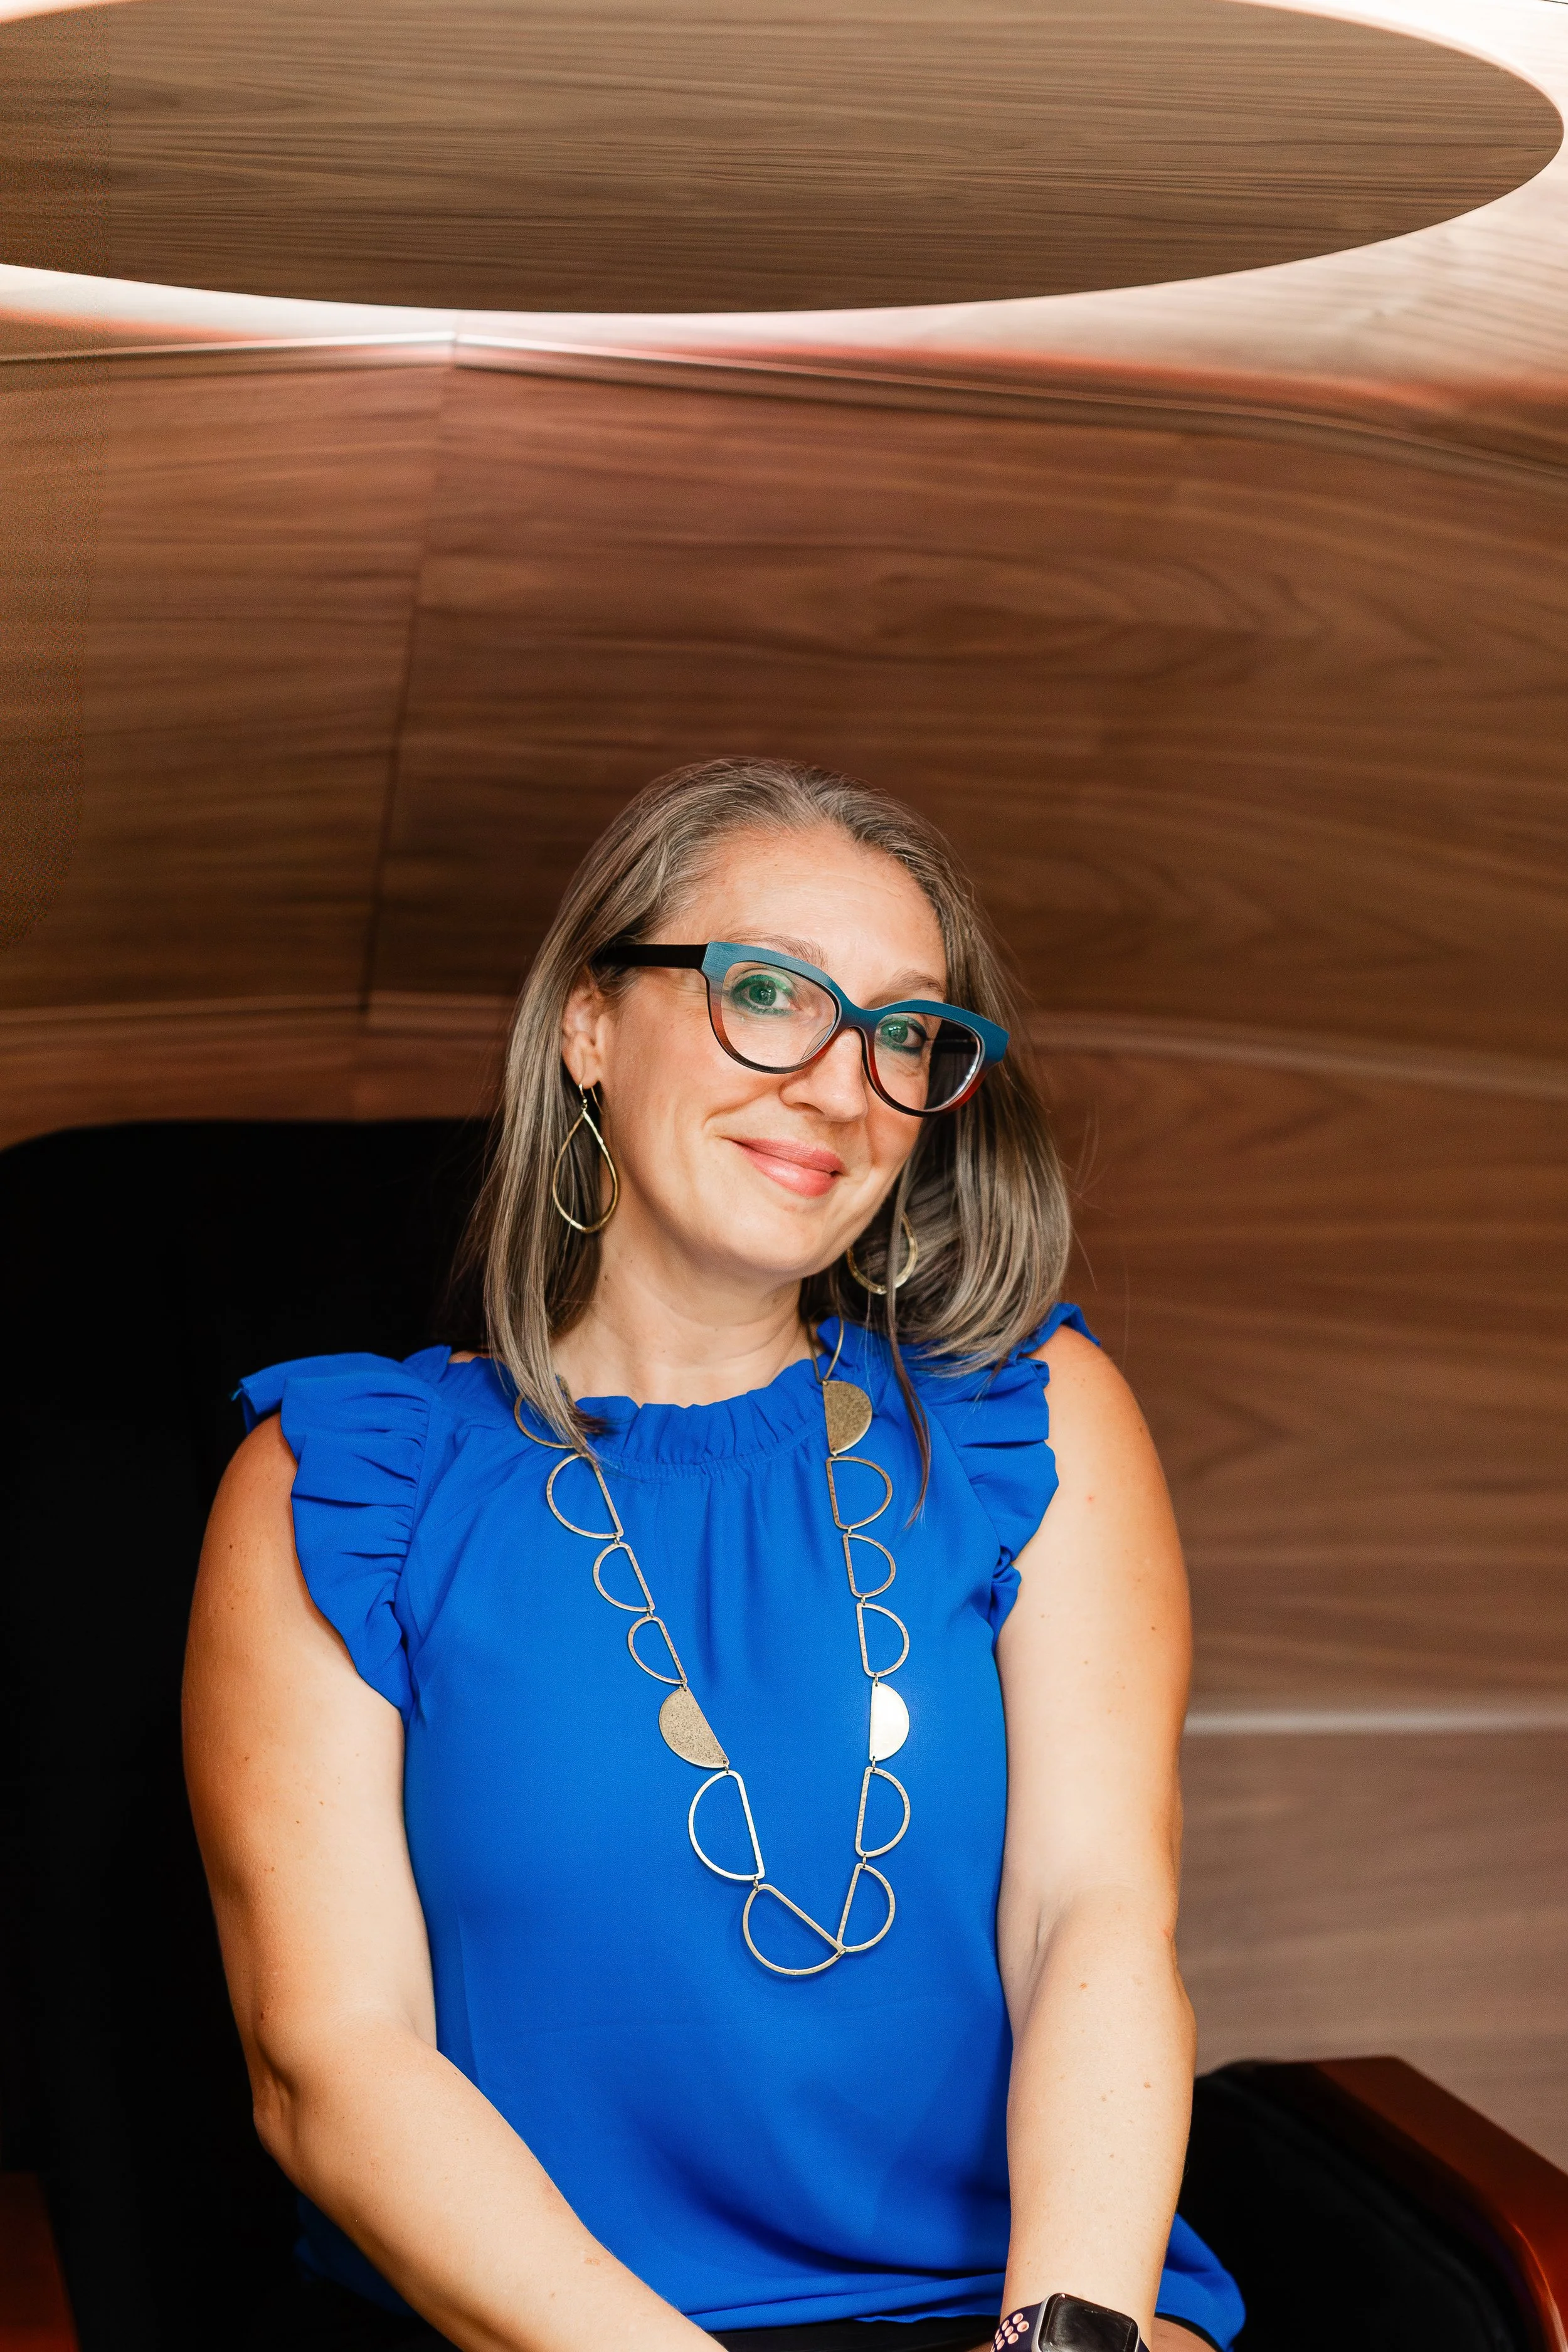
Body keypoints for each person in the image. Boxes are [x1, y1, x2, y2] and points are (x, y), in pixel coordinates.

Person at [185, 758, 1244, 2352]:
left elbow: (1092, 1914)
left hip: (1020, 2318)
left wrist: (1071, 2337)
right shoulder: (343, 1486)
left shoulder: (1033, 1423)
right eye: (769, 994)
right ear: (588, 1025)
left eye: (902, 1033)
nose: (840, 1086)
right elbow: (328, 2059)